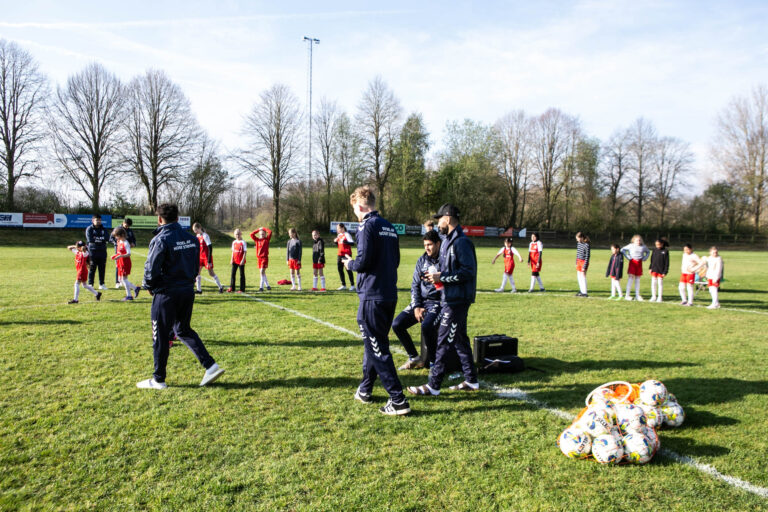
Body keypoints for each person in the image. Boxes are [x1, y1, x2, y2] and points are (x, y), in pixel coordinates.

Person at [137, 203, 224, 389]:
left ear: (159, 220)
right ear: (178, 218)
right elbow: (195, 266)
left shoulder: (160, 239)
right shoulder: (191, 238)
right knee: (183, 329)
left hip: (166, 293)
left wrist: (149, 285)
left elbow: (151, 268)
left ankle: (158, 379)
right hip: (186, 290)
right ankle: (211, 366)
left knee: (160, 335)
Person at [343, 186, 410, 416]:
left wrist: (349, 263)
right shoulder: (389, 226)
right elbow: (396, 260)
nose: (355, 215)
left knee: (377, 346)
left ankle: (398, 399)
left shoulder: (366, 225)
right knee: (373, 342)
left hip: (372, 294)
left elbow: (363, 262)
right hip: (389, 293)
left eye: (355, 210)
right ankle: (366, 388)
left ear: (360, 206)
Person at [408, 203, 479, 397]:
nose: (438, 222)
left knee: (443, 342)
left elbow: (468, 272)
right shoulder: (448, 240)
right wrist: (439, 277)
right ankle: (472, 381)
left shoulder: (461, 242)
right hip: (450, 298)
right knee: (460, 341)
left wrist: (442, 278)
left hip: (457, 301)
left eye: (440, 219)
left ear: (447, 218)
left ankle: (434, 385)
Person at [393, 229, 442, 370]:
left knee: (427, 326)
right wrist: (416, 306)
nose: (427, 248)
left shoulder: (445, 260)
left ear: (438, 244)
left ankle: (433, 363)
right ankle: (414, 357)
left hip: (438, 302)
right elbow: (415, 285)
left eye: (430, 244)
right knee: (397, 324)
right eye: (425, 245)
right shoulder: (422, 260)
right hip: (422, 302)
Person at [192, 223, 223, 294]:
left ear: (199, 228)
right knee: (197, 273)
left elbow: (210, 247)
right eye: (194, 230)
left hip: (206, 258)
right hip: (200, 257)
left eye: (196, 230)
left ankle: (220, 287)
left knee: (211, 273)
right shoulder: (197, 236)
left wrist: (209, 260)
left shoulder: (205, 236)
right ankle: (199, 290)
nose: (195, 232)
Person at [111, 227, 141, 301]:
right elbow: (119, 252)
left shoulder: (125, 243)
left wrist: (120, 256)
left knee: (124, 279)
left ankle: (129, 296)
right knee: (121, 280)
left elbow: (128, 254)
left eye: (117, 236)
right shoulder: (119, 242)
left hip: (125, 263)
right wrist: (115, 256)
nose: (116, 237)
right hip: (120, 262)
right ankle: (135, 288)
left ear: (122, 235)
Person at [621, 235, 650, 301]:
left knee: (638, 279)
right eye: (637, 240)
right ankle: (627, 295)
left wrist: (645, 258)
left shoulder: (643, 246)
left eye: (639, 240)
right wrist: (628, 257)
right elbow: (622, 250)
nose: (638, 241)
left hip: (639, 263)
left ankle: (637, 295)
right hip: (632, 262)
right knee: (631, 278)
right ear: (633, 240)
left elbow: (648, 252)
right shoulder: (631, 245)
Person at [85, 214, 110, 290]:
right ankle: (90, 284)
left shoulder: (104, 229)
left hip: (102, 251)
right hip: (93, 251)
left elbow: (107, 238)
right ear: (93, 221)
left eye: (99, 220)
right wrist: (101, 239)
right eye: (97, 220)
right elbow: (90, 240)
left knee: (102, 268)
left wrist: (98, 239)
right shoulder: (89, 229)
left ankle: (101, 284)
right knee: (92, 268)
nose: (98, 221)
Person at [110, 218, 136, 288]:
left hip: (125, 251)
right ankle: (118, 282)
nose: (127, 227)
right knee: (118, 266)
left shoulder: (129, 231)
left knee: (124, 267)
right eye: (126, 225)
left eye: (128, 226)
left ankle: (124, 281)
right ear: (123, 222)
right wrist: (117, 243)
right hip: (118, 250)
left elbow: (133, 239)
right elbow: (111, 238)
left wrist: (133, 243)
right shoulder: (117, 229)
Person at [249, 226, 273, 291]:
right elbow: (251, 234)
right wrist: (258, 230)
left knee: (262, 271)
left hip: (264, 258)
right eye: (260, 234)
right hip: (259, 258)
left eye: (263, 234)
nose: (262, 235)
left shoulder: (266, 240)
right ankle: (268, 286)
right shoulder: (257, 240)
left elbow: (270, 232)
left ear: (265, 234)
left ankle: (261, 287)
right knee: (262, 272)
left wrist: (264, 228)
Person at [334, 223, 355, 291]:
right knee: (340, 269)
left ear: (342, 228)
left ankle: (352, 285)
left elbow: (352, 243)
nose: (337, 230)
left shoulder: (347, 234)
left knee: (348, 269)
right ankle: (343, 285)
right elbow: (340, 244)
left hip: (346, 255)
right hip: (339, 254)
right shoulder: (339, 235)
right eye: (337, 228)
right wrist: (336, 242)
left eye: (338, 228)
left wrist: (346, 242)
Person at [649, 238, 670, 303]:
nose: (657, 246)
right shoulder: (654, 250)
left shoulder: (665, 251)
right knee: (653, 283)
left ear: (662, 244)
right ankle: (653, 296)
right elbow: (652, 260)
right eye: (656, 244)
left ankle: (660, 297)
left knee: (660, 284)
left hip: (661, 270)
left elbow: (667, 262)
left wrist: (665, 271)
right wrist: (650, 268)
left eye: (658, 244)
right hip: (654, 269)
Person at [229, 229, 247, 293]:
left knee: (242, 275)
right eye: (236, 234)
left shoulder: (243, 242)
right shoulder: (234, 242)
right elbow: (233, 251)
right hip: (235, 261)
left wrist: (243, 260)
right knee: (233, 274)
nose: (237, 235)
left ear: (241, 234)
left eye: (238, 234)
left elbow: (245, 252)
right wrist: (231, 259)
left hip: (240, 261)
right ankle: (232, 287)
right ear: (234, 235)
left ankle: (242, 289)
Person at [575, 232, 591, 297]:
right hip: (579, 261)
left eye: (578, 238)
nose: (577, 240)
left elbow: (587, 256)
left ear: (581, 238)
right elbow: (577, 253)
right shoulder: (579, 243)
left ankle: (585, 292)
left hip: (584, 261)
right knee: (579, 276)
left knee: (583, 276)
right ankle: (581, 291)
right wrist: (576, 262)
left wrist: (585, 265)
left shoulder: (586, 245)